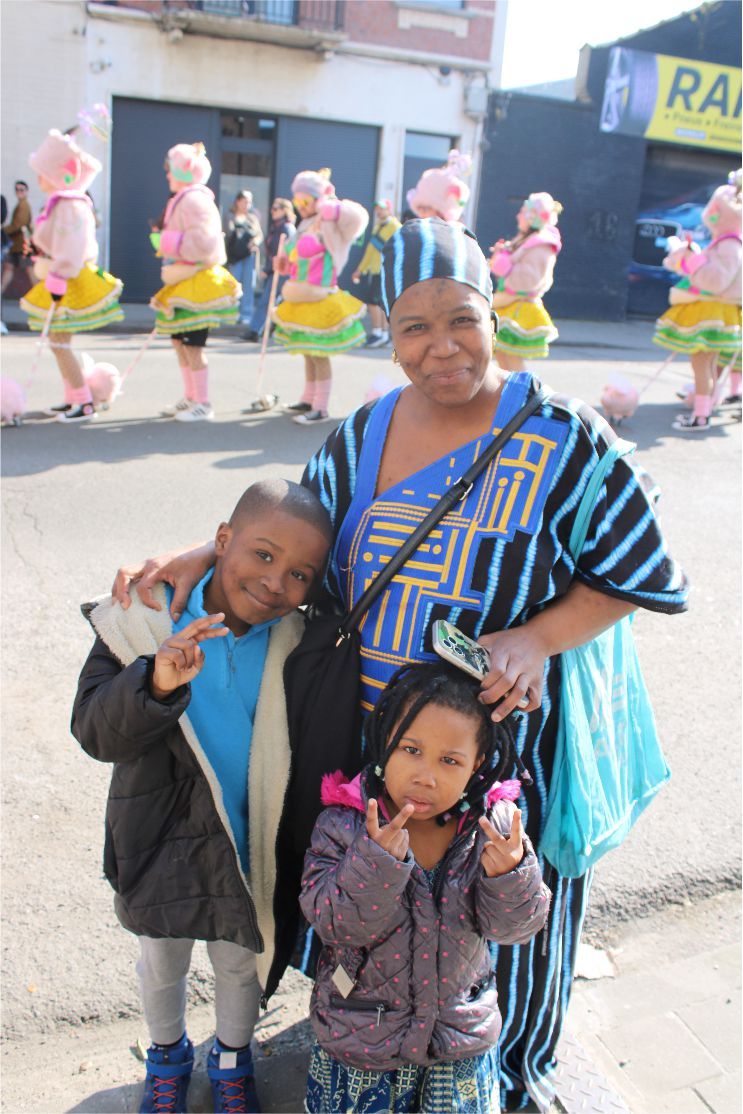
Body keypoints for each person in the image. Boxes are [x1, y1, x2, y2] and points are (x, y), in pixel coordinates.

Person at [111, 218, 689, 1113]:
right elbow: (293, 531)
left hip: (494, 745)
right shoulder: (365, 430)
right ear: (387, 334)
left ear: (494, 316)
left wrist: (538, 637)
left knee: (491, 906)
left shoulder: (561, 435)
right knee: (374, 905)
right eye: (413, 327)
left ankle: (498, 1067)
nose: (439, 346)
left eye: (460, 320)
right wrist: (201, 554)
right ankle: (372, 1056)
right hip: (373, 740)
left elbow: (638, 570)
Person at [72, 479, 333, 1114]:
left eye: (299, 574)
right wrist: (155, 684)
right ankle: (166, 1060)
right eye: (262, 555)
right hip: (158, 837)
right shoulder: (142, 619)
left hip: (247, 844)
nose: (274, 583)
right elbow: (94, 730)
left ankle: (232, 1064)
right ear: (220, 541)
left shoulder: (295, 642)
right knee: (162, 963)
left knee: (240, 964)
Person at [301, 660, 551, 1114]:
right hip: (363, 1040)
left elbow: (515, 929)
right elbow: (333, 924)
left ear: (476, 765)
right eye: (411, 749)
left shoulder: (492, 829)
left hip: (458, 1042)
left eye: (449, 760)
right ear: (385, 743)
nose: (425, 776)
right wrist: (375, 863)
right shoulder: (344, 825)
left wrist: (510, 875)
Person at [20, 130, 124, 422]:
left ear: (56, 174)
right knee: (58, 341)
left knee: (60, 342)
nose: (38, 178)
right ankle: (74, 398)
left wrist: (58, 275)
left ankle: (83, 402)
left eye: (43, 172)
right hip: (62, 276)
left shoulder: (69, 204)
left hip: (67, 278)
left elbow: (71, 248)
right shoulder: (63, 202)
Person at [151, 142, 241, 422]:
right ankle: (191, 397)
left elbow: (204, 243)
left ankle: (203, 402)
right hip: (183, 279)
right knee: (180, 342)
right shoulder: (184, 199)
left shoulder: (194, 200)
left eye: (170, 168)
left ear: (183, 170)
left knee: (192, 345)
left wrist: (168, 241)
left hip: (198, 282)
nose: (167, 174)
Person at [272, 167, 368, 424]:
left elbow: (358, 218)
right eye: (297, 201)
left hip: (321, 295)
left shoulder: (330, 223)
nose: (301, 206)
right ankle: (308, 398)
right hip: (300, 295)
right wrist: (284, 264)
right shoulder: (304, 225)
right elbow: (297, 261)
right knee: (308, 351)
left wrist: (331, 208)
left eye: (306, 200)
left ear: (318, 199)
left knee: (319, 353)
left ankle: (321, 407)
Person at [654, 169, 742, 431]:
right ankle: (704, 410)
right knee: (708, 363)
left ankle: (701, 416)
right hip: (718, 311)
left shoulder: (729, 244)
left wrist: (693, 261)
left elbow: (716, 281)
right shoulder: (729, 242)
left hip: (713, 310)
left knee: (701, 363)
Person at [488, 193, 563, 372]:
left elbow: (529, 280)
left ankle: (523, 389)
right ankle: (511, 388)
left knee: (512, 359)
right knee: (503, 356)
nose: (518, 216)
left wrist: (504, 264)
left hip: (520, 307)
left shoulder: (540, 245)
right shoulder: (528, 241)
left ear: (532, 218)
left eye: (522, 212)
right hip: (508, 303)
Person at [243, 197, 295, 342]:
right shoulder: (277, 227)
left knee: (268, 300)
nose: (272, 211)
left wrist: (267, 269)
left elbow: (281, 253)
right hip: (277, 269)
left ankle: (256, 330)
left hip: (281, 270)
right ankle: (270, 328)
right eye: (272, 208)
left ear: (284, 211)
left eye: (275, 209)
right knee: (275, 301)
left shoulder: (285, 228)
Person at [351, 198, 401, 348]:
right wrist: (360, 269)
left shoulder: (395, 226)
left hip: (385, 270)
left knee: (374, 303)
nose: (379, 211)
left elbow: (399, 249)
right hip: (375, 270)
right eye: (377, 209)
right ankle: (383, 335)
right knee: (379, 303)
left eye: (382, 208)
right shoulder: (378, 226)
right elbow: (370, 251)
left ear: (389, 210)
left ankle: (378, 333)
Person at [225, 190, 263, 330]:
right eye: (245, 201)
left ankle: (246, 314)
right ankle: (231, 313)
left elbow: (259, 235)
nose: (247, 204)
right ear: (238, 201)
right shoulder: (230, 216)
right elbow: (228, 233)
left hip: (249, 255)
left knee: (248, 285)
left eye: (249, 202)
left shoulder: (253, 217)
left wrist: (255, 242)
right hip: (235, 256)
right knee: (233, 285)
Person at [406, 149, 471, 223]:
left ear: (440, 213)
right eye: (420, 208)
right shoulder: (420, 226)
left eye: (426, 209)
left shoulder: (436, 228)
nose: (421, 214)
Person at [1, 179, 33, 297]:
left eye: (22, 189)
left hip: (23, 245)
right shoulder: (21, 204)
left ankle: (42, 297)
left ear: (26, 191)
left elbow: (17, 225)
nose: (19, 192)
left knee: (29, 270)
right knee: (9, 268)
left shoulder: (24, 205)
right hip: (17, 245)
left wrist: (3, 230)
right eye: (17, 189)